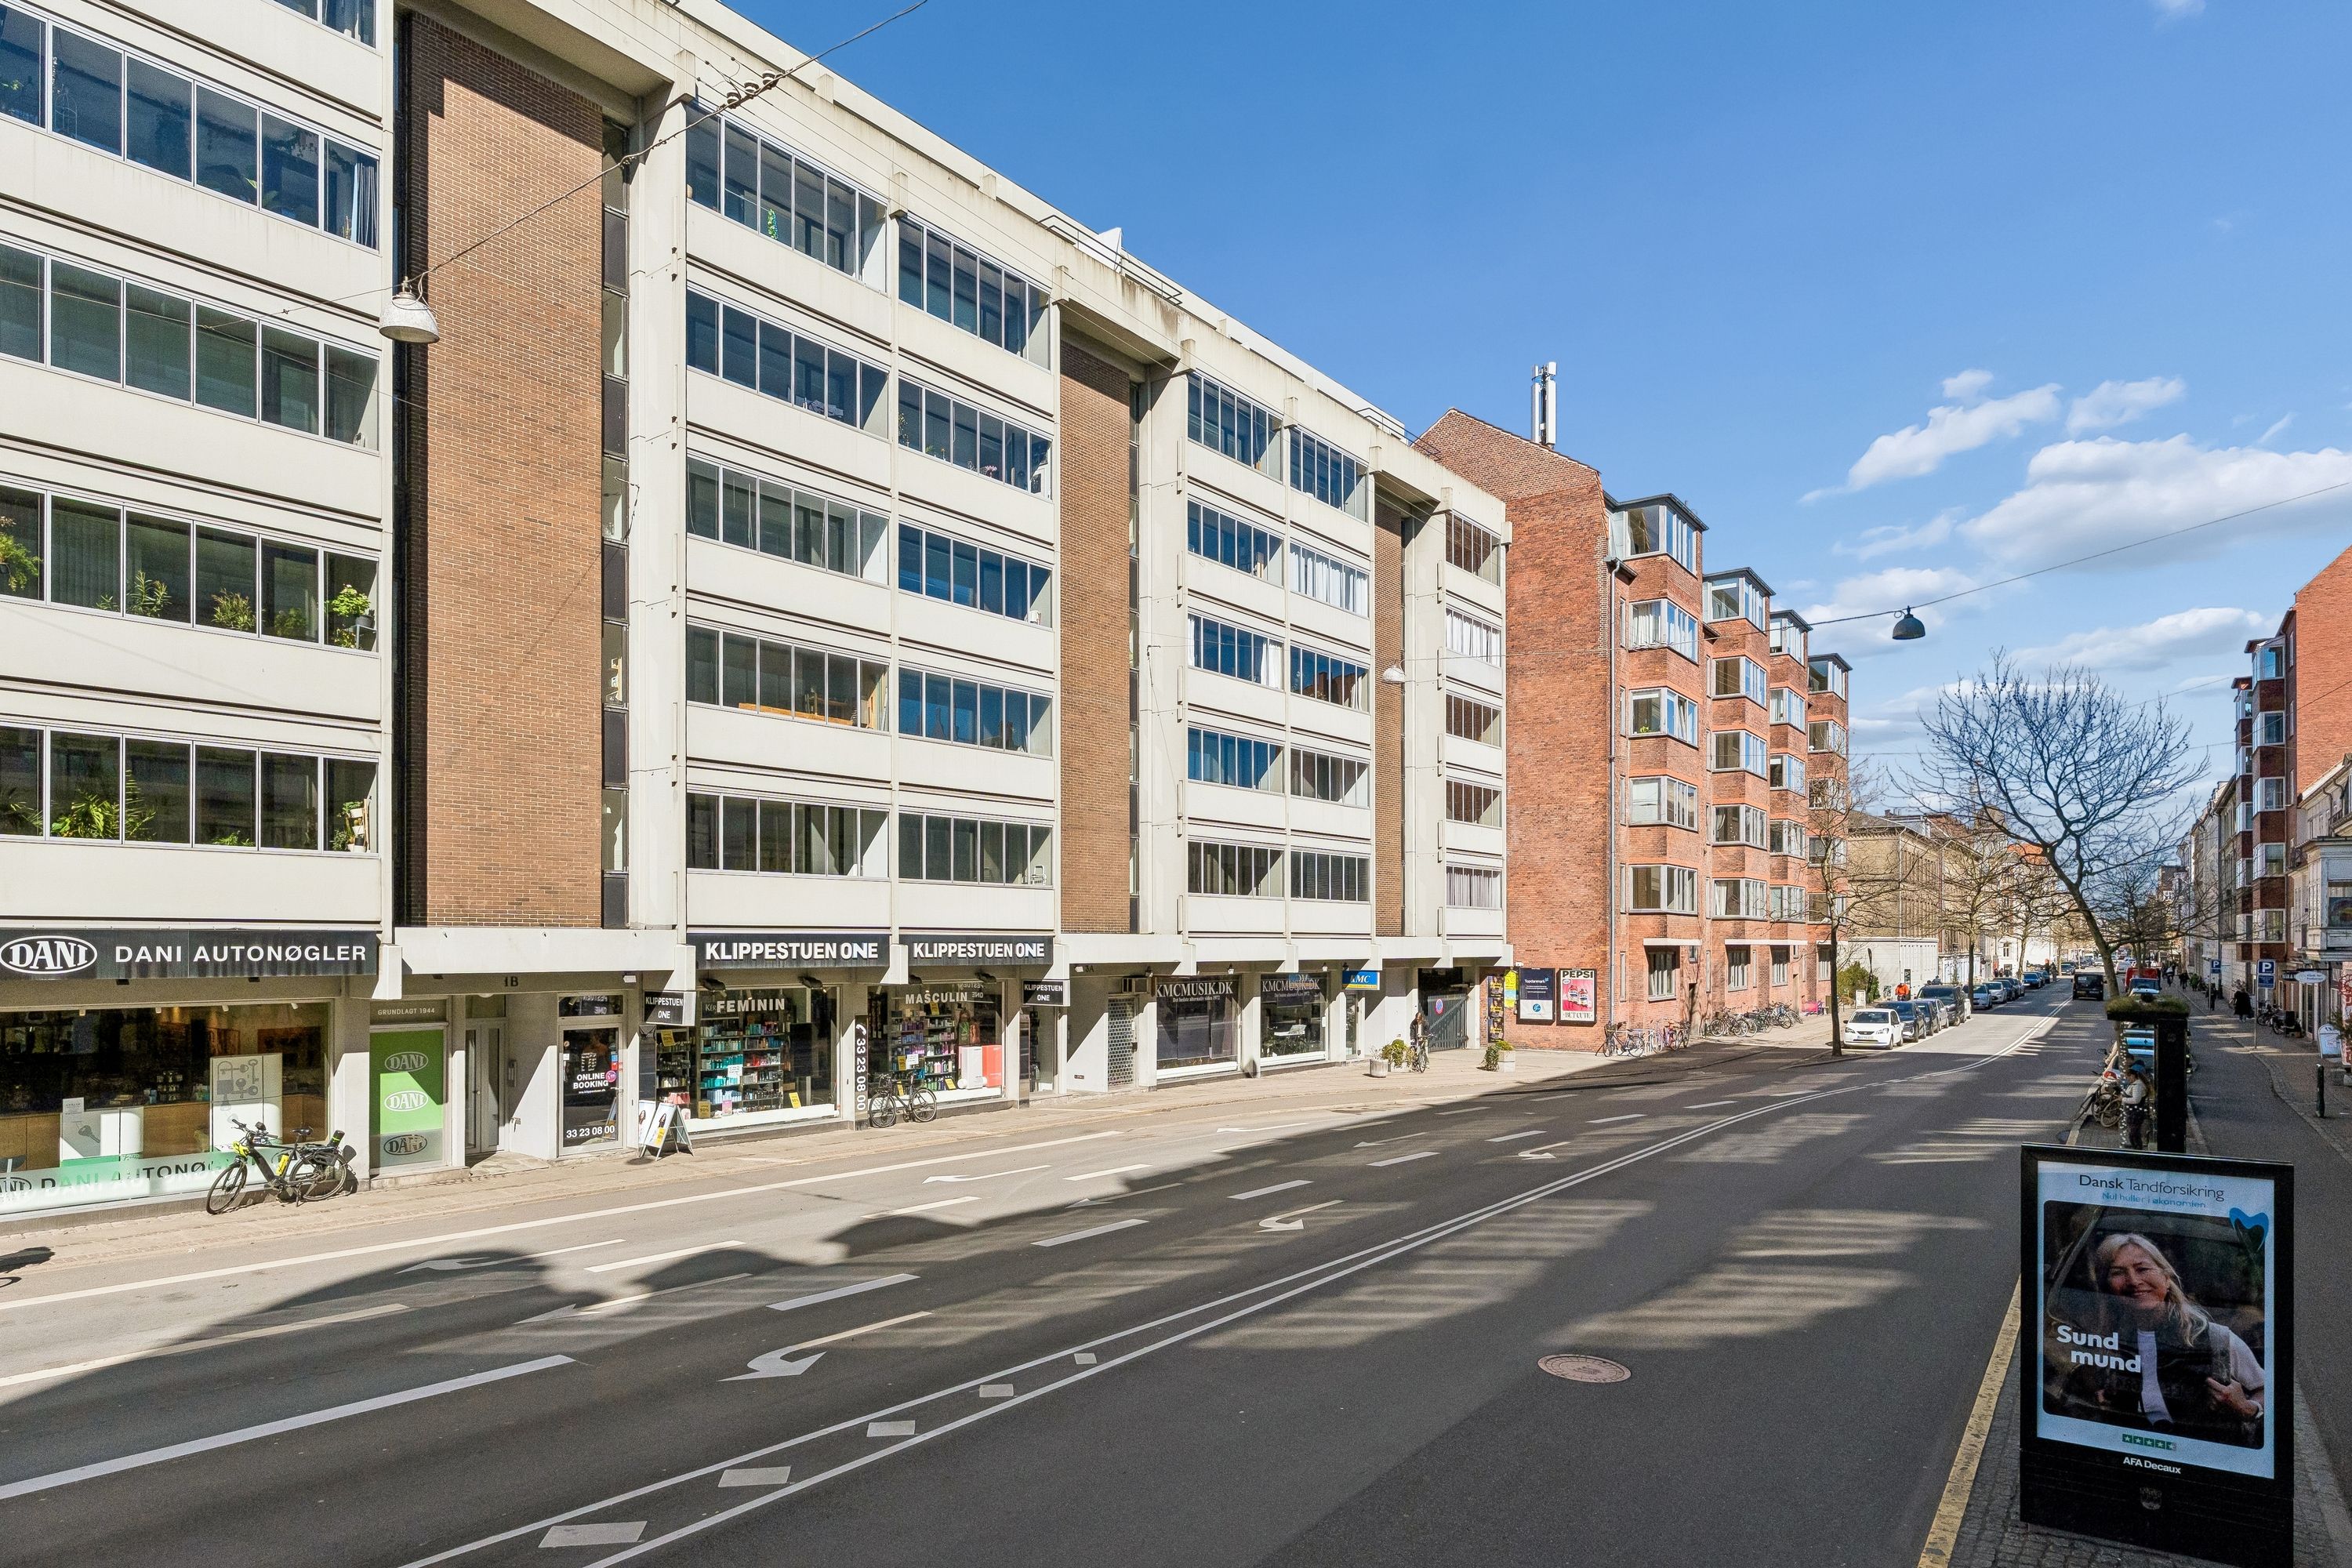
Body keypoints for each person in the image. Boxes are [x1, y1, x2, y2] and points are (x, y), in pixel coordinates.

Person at [2051, 1232, 2264, 1447]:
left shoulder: (2217, 1339)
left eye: (2142, 1269)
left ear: (2166, 1276)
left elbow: (2268, 1391)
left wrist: (2246, 1408)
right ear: (2108, 1288)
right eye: (2118, 1273)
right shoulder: (2102, 1341)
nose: (2133, 1281)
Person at [2118, 1061, 2151, 1150]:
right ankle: (2136, 1146)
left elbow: (2136, 1100)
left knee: (2133, 1132)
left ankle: (2137, 1148)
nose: (2127, 1080)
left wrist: (2123, 1099)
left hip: (2135, 1112)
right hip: (2134, 1112)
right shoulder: (2136, 1084)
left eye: (2128, 1077)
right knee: (2134, 1131)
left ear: (2132, 1076)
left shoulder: (2137, 1086)